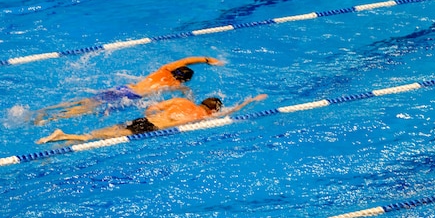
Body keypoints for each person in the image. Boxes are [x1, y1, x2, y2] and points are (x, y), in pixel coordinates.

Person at [33, 56, 224, 124]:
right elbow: (187, 94)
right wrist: (191, 94)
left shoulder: (162, 71)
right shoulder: (175, 86)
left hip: (124, 88)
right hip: (132, 97)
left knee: (87, 101)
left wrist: (207, 59)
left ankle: (45, 110)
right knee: (88, 110)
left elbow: (186, 60)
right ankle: (52, 119)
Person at [36, 94, 267, 144]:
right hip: (151, 129)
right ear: (213, 110)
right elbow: (233, 111)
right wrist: (252, 100)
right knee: (96, 139)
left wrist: (152, 115)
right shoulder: (202, 116)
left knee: (100, 133)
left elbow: (152, 106)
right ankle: (62, 136)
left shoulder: (183, 101)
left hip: (145, 120)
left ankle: (65, 140)